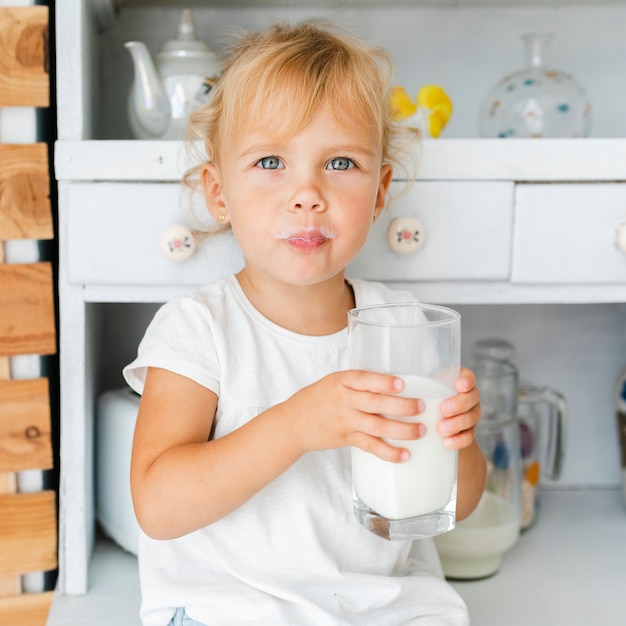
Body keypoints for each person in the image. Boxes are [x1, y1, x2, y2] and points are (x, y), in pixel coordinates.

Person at [123, 21, 486, 626]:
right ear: (219, 192)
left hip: (380, 603)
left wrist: (460, 443)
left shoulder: (401, 326)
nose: (307, 193)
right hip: (230, 605)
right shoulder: (198, 328)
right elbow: (158, 505)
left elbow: (457, 502)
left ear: (378, 192)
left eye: (340, 162)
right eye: (271, 161)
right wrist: (296, 425)